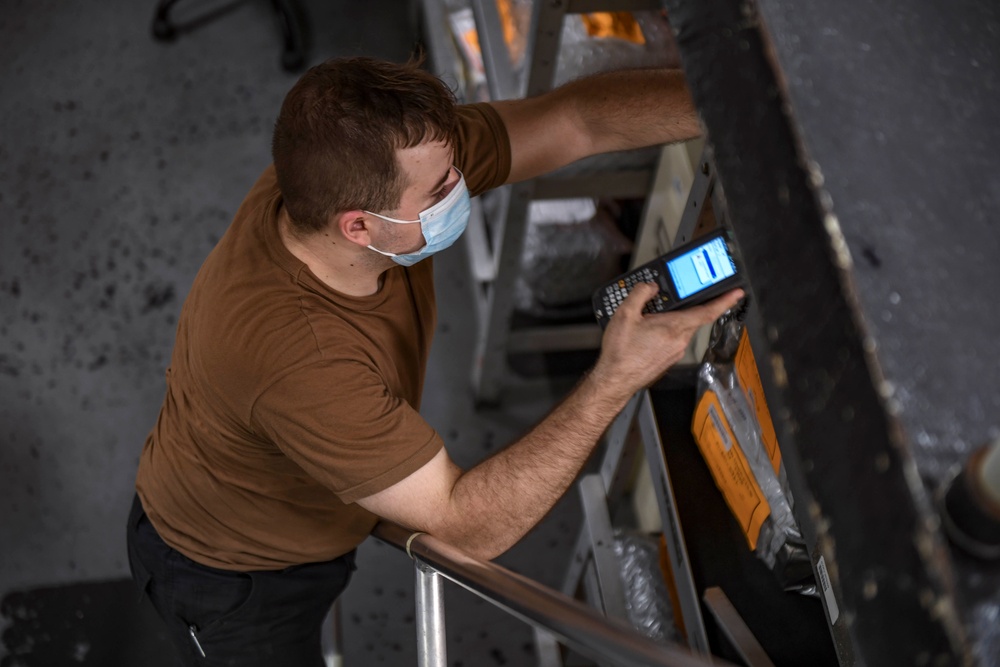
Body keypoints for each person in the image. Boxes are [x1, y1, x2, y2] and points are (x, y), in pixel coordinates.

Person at [126, 55, 743, 666]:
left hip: (323, 501)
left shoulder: (347, 175)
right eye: (441, 188)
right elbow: (463, 526)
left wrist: (735, 104)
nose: (462, 184)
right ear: (360, 228)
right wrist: (616, 378)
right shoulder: (300, 359)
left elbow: (576, 121)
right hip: (234, 574)